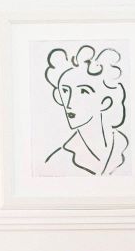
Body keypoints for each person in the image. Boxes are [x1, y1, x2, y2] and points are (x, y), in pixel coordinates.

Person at [42, 45, 128, 176]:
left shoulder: (128, 148)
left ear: (105, 102)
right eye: (65, 91)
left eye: (83, 91)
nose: (69, 103)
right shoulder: (57, 162)